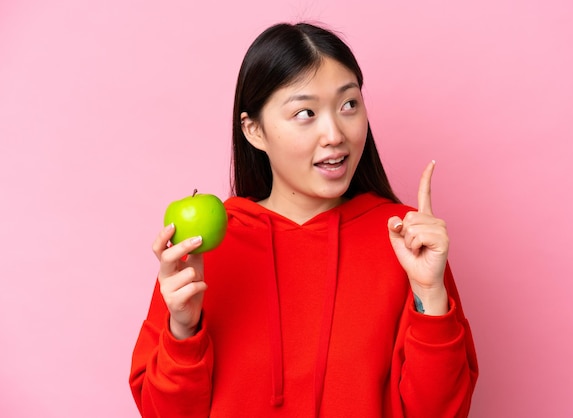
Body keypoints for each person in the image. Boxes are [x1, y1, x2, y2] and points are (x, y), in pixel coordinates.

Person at [129, 21, 478, 417]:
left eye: (349, 105)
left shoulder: (406, 239)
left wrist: (430, 294)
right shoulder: (203, 249)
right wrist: (183, 329)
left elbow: (442, 411)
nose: (334, 134)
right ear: (254, 130)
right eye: (305, 113)